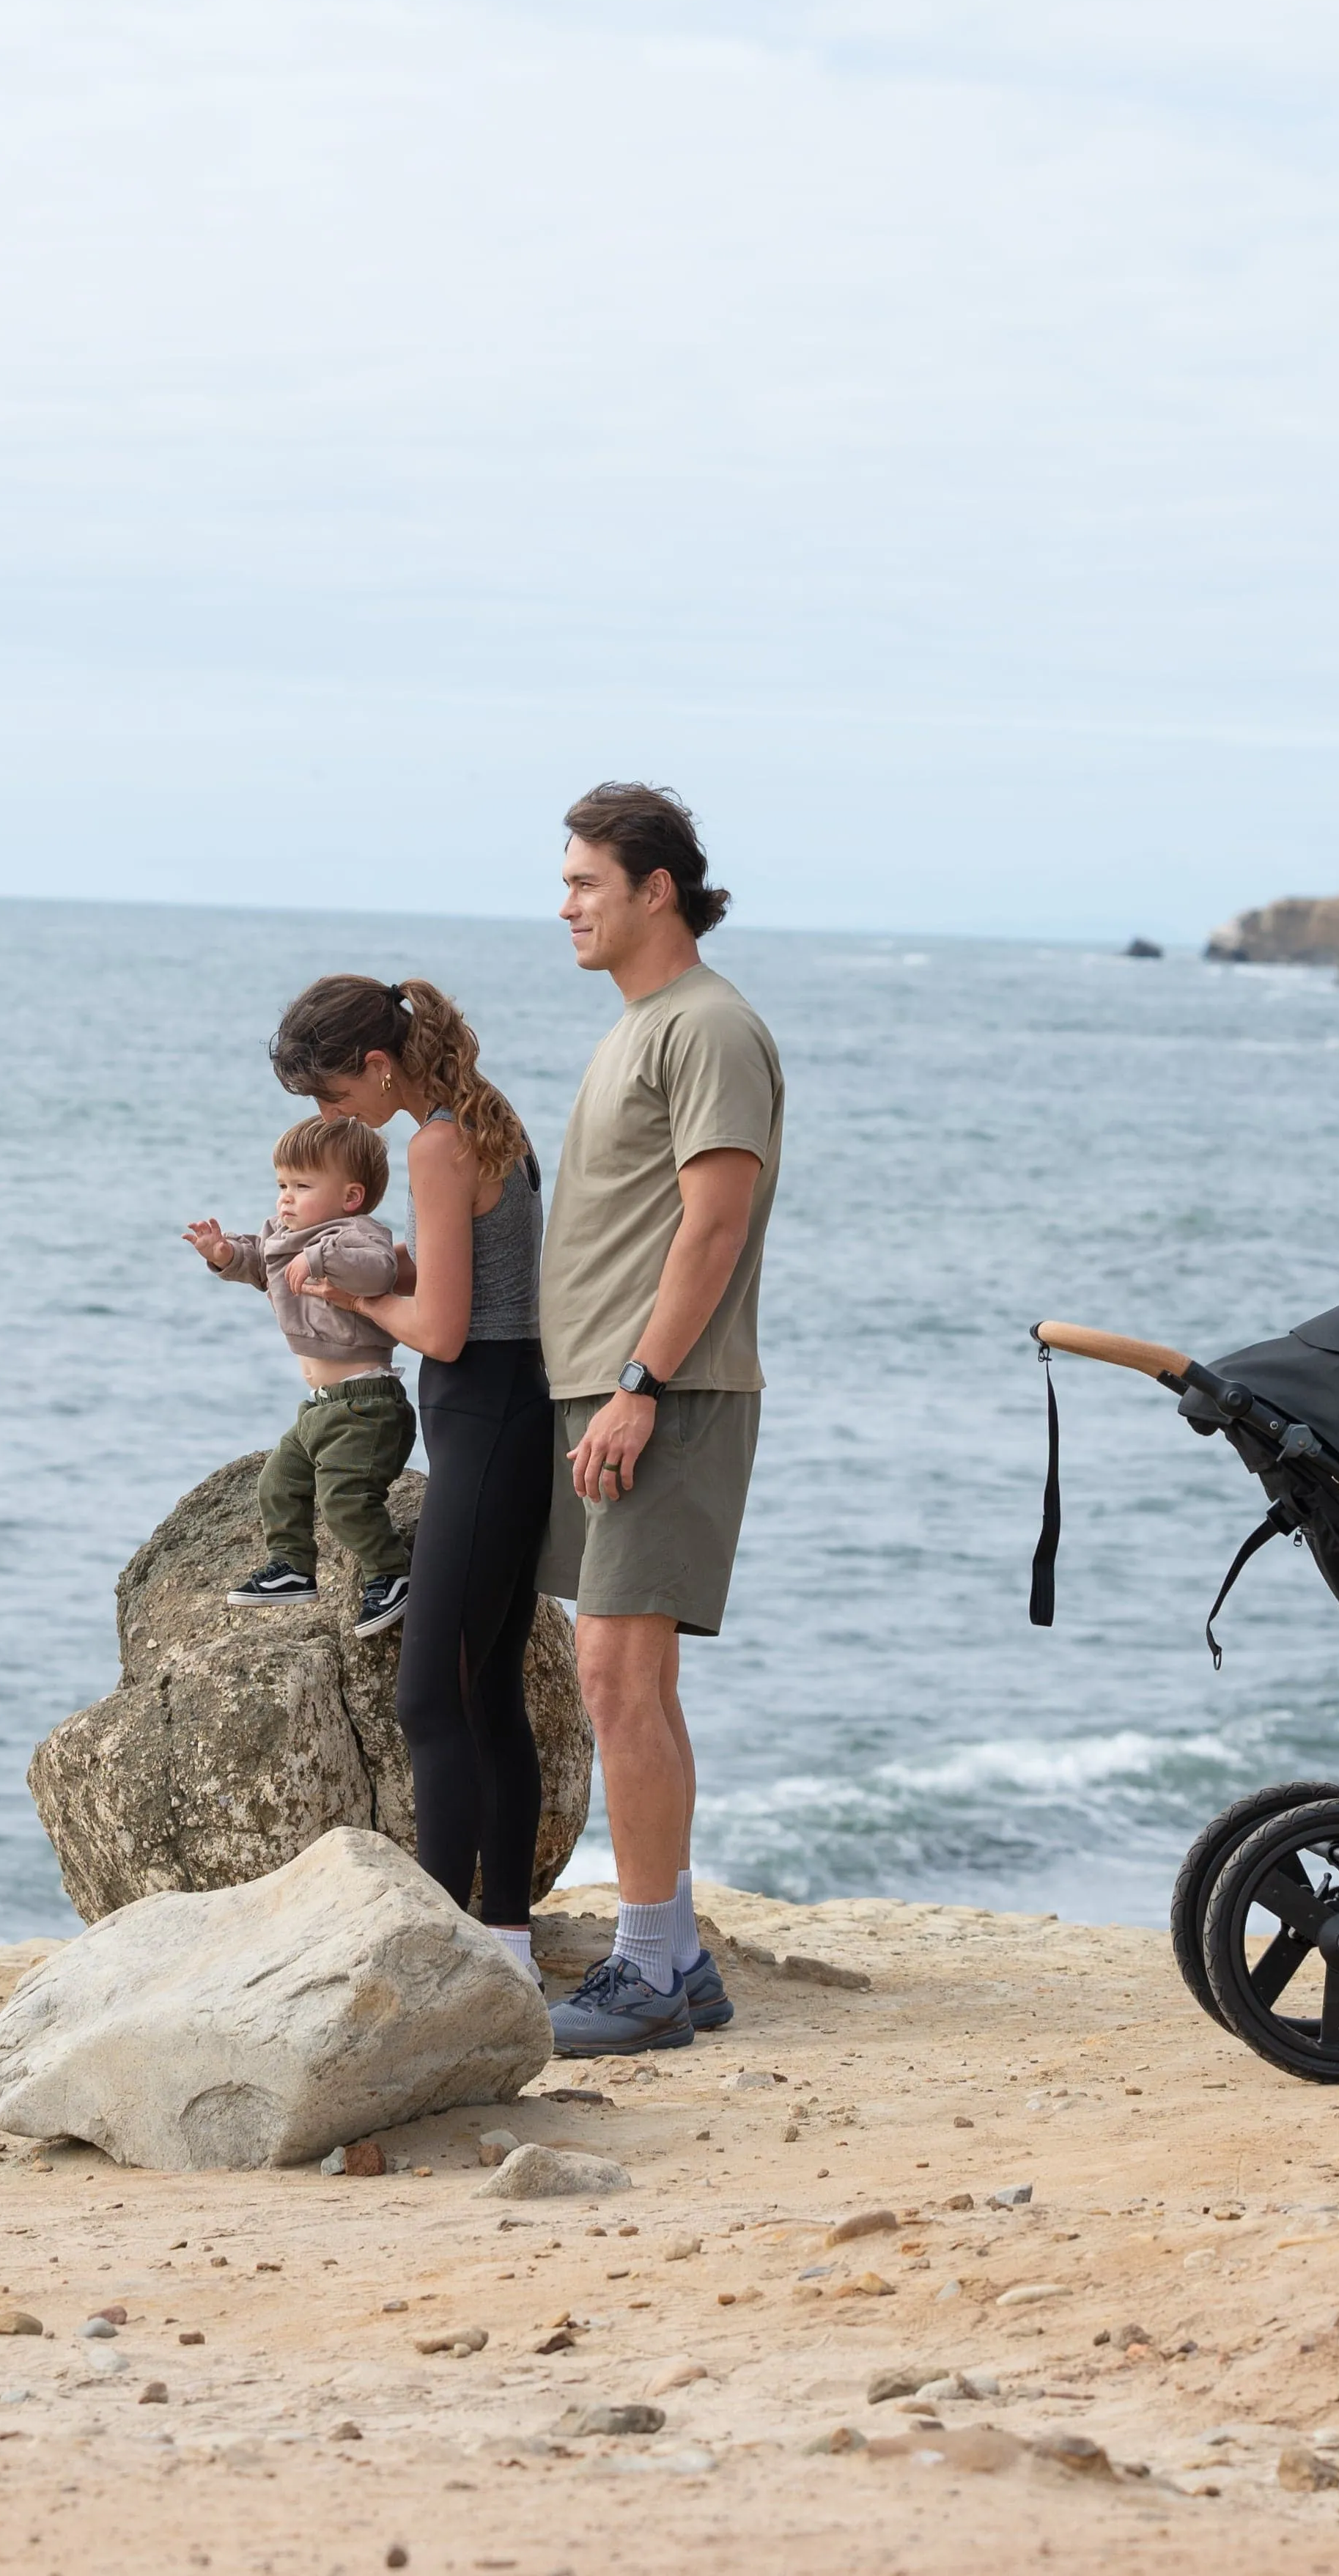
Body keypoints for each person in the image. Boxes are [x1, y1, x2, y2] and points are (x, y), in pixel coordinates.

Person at [539, 782, 783, 2056]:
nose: (564, 903)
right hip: (613, 1385)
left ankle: (643, 1966)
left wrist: (638, 1383)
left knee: (616, 1675)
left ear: (655, 889)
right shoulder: (643, 1025)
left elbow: (715, 1220)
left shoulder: (707, 1026)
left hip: (661, 1390)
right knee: (634, 1675)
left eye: (585, 880)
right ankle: (673, 1954)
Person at [265, 975, 554, 1985]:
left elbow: (439, 1328)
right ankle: (507, 1948)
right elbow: (468, 1284)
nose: (329, 1115)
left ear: (378, 1064)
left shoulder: (438, 1143)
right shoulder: (485, 1113)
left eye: (333, 1092)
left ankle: (437, 1956)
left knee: (433, 1697)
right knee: (490, 1696)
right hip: (517, 1410)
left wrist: (347, 1288)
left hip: (481, 1416)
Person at [183, 1116, 415, 1630]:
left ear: (351, 1196)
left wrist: (320, 1258)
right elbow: (259, 1262)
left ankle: (391, 1573)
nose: (286, 1199)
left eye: (303, 1186)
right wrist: (224, 1255)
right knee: (278, 1483)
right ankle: (292, 1568)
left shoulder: (357, 1235)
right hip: (322, 1407)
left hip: (367, 1403)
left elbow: (378, 1271)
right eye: (282, 1185)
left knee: (345, 1499)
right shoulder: (283, 1236)